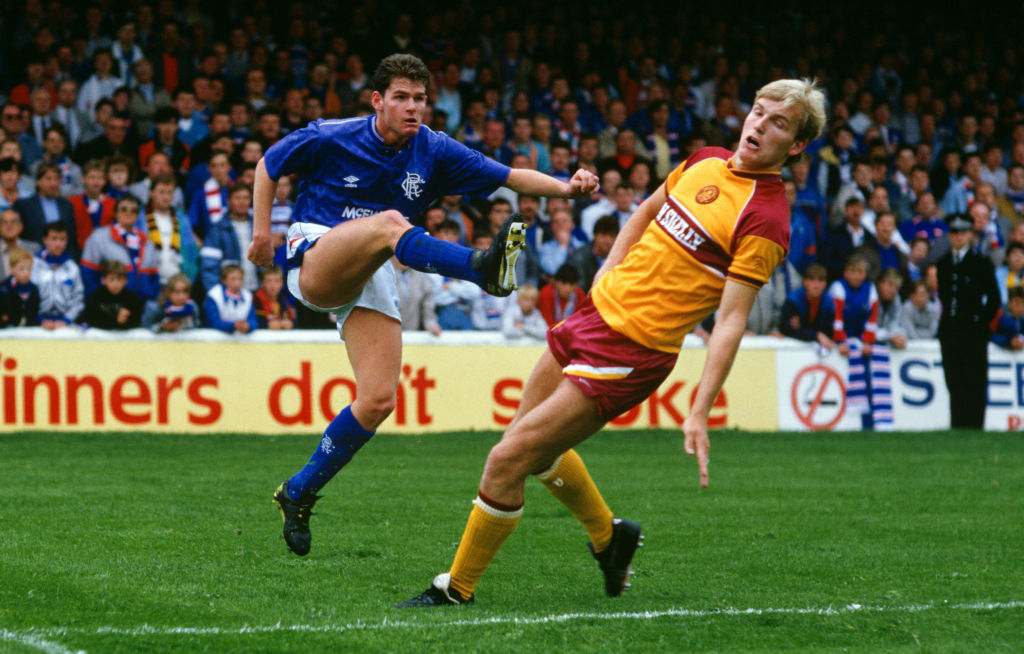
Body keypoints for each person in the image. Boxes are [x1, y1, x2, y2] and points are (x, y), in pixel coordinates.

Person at [397, 78, 825, 607]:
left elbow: (732, 320)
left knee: (507, 459)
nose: (760, 124)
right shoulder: (706, 160)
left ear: (797, 145)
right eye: (759, 111)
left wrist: (699, 409)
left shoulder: (766, 217)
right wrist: (608, 269)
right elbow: (645, 210)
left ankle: (455, 589)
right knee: (530, 449)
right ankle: (609, 538)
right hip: (594, 315)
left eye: (778, 122)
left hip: (632, 352)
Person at [246, 53, 598, 557]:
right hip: (317, 255)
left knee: (377, 400)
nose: (413, 108)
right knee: (392, 223)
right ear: (377, 101)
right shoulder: (332, 134)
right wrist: (263, 234)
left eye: (421, 99)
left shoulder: (433, 149)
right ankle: (481, 268)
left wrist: (566, 185)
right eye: (402, 98)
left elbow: (512, 177)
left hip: (375, 261)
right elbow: (269, 163)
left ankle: (298, 491)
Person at [936, 213, 1000, 429]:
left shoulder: (980, 263)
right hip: (950, 330)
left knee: (974, 380)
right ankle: (957, 424)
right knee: (954, 380)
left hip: (973, 331)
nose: (958, 237)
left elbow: (994, 298)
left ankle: (974, 425)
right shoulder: (944, 263)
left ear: (971, 234)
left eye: (962, 232)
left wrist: (980, 322)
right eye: (954, 232)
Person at [31, 222, 84, 329]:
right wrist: (39, 319)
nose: (58, 243)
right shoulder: (33, 264)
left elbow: (78, 299)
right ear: (45, 240)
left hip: (65, 323)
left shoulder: (72, 268)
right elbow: (27, 295)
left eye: (62, 239)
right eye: (54, 239)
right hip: (37, 323)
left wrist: (67, 320)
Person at [779, 263, 835, 350]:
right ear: (805, 282)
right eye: (812, 280)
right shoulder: (793, 300)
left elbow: (828, 332)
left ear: (825, 284)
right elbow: (787, 329)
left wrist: (804, 329)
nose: (816, 285)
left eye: (820, 281)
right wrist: (816, 335)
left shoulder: (828, 302)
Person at [81, 260, 142, 329]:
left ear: (125, 281)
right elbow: (91, 319)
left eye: (119, 279)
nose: (115, 284)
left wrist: (125, 320)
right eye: (111, 279)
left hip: (123, 335)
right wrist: (115, 320)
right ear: (103, 280)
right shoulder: (96, 295)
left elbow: (137, 322)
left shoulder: (130, 298)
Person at [204, 263, 257, 334]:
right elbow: (212, 322)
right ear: (223, 280)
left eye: (240, 279)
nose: (237, 283)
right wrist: (234, 325)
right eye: (233, 279)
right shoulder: (214, 295)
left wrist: (248, 326)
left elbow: (253, 321)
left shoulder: (248, 296)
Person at [0, 247, 41, 327]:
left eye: (29, 269)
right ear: (11, 269)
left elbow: (35, 312)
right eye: (21, 269)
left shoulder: (34, 289)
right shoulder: (4, 289)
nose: (26, 273)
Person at [253, 264, 295, 330]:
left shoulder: (283, 300)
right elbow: (253, 322)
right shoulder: (256, 299)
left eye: (277, 281)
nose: (273, 286)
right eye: (269, 281)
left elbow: (293, 320)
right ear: (263, 283)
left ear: (282, 283)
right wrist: (267, 325)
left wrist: (291, 323)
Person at [992, 287, 1024, 351]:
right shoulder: (1002, 319)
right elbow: (992, 336)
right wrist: (1009, 341)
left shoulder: (1022, 321)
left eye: (1023, 304)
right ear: (1009, 304)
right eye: (1017, 304)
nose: (1021, 308)